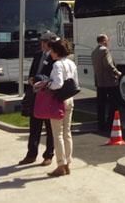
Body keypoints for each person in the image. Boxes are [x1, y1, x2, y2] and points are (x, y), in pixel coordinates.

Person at [37, 39, 78, 177]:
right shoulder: (71, 63)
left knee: (57, 134)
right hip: (70, 99)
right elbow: (75, 82)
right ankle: (68, 163)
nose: (51, 54)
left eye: (52, 51)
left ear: (56, 52)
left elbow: (58, 84)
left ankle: (60, 164)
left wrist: (48, 84)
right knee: (67, 133)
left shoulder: (57, 65)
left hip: (58, 100)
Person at [18, 31, 57, 166]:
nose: (42, 44)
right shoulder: (38, 55)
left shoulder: (54, 58)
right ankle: (31, 154)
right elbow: (33, 71)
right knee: (34, 126)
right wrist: (31, 80)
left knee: (50, 127)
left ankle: (49, 155)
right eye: (42, 41)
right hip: (35, 94)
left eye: (45, 42)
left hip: (47, 96)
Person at [91, 34, 121, 132]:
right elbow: (108, 64)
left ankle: (101, 124)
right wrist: (117, 72)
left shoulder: (94, 52)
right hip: (110, 81)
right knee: (114, 104)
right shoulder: (105, 50)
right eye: (107, 40)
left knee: (101, 104)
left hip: (100, 81)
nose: (108, 42)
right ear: (104, 41)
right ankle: (111, 123)